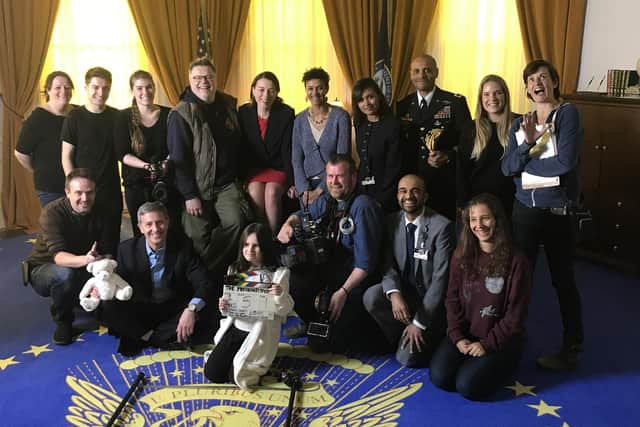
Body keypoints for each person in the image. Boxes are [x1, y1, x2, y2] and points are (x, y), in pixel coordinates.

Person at [502, 59, 584, 371]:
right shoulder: (519, 123)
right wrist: (527, 148)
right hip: (524, 211)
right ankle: (511, 340)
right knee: (520, 279)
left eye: (544, 77)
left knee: (563, 280)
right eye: (531, 79)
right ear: (526, 88)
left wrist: (523, 166)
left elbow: (564, 163)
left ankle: (572, 346)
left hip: (556, 211)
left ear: (554, 82)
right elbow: (506, 167)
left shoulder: (568, 114)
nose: (538, 83)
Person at [277, 154, 384, 353]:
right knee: (293, 278)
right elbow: (302, 216)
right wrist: (288, 223)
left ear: (353, 177)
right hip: (329, 272)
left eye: (340, 176)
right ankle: (311, 323)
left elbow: (365, 265)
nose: (334, 182)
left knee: (326, 345)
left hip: (355, 281)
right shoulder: (328, 199)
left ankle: (334, 326)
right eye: (330, 176)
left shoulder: (363, 206)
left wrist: (342, 293)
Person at [429, 193, 531, 400]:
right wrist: (457, 337)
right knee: (440, 377)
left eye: (485, 218)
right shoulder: (461, 254)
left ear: (497, 220)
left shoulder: (517, 261)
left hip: (501, 340)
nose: (479, 225)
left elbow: (515, 316)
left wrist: (487, 344)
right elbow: (452, 299)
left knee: (467, 386)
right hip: (467, 334)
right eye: (473, 220)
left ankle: (507, 362)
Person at [98, 201, 215, 356]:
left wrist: (191, 309)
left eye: (159, 222)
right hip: (140, 308)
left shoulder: (184, 245)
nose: (155, 229)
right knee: (107, 305)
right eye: (149, 224)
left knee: (206, 309)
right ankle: (158, 337)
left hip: (172, 307)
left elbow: (203, 281)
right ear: (140, 227)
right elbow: (118, 283)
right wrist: (100, 287)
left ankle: (143, 337)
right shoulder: (126, 249)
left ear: (167, 222)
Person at [167, 57, 250, 277]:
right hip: (196, 187)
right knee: (195, 236)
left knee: (236, 222)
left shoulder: (229, 105)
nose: (204, 82)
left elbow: (239, 145)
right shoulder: (181, 113)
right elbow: (179, 161)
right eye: (197, 77)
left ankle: (206, 273)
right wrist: (189, 194)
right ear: (189, 80)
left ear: (216, 78)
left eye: (209, 77)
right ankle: (200, 278)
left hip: (226, 184)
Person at [363, 174, 454, 365]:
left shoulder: (442, 227)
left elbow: (440, 280)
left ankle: (425, 334)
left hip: (432, 305)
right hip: (406, 296)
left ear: (425, 196)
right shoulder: (390, 222)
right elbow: (387, 265)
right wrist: (395, 295)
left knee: (407, 360)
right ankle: (401, 336)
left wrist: (419, 322)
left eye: (415, 191)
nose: (408, 196)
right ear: (397, 196)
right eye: (403, 191)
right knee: (371, 296)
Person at [26, 169, 115, 345]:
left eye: (89, 192)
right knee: (65, 274)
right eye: (79, 193)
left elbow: (109, 250)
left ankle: (96, 305)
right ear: (67, 192)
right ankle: (64, 321)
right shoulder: (52, 212)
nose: (85, 198)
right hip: (45, 268)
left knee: (116, 269)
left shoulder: (104, 211)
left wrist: (102, 269)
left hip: (87, 263)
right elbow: (58, 257)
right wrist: (87, 260)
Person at [204, 223, 294, 389]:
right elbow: (227, 308)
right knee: (212, 373)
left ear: (265, 247)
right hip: (236, 328)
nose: (249, 250)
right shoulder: (235, 270)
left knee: (237, 377)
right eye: (246, 244)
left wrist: (280, 294)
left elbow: (285, 310)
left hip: (259, 333)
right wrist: (223, 305)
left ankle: (252, 363)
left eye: (255, 245)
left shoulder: (278, 274)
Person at [396, 54, 471, 221]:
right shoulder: (401, 106)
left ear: (436, 72)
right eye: (416, 71)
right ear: (410, 74)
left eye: (427, 70)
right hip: (412, 186)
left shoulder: (454, 103)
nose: (421, 75)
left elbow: (469, 143)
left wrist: (449, 155)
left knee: (444, 233)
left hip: (443, 183)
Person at [61, 66, 121, 254]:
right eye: (95, 87)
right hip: (84, 193)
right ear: (86, 87)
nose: (100, 93)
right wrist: (75, 190)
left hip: (110, 190)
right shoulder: (74, 117)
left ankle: (111, 280)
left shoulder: (117, 116)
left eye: (105, 88)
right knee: (84, 242)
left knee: (111, 241)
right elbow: (66, 156)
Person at [114, 70, 175, 234]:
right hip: (136, 183)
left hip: (165, 181)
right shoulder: (122, 117)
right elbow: (122, 153)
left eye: (149, 87)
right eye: (139, 88)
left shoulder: (169, 114)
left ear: (154, 88)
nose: (145, 92)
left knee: (168, 227)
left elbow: (175, 146)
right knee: (140, 229)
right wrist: (147, 166)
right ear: (132, 91)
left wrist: (165, 163)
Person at [239, 71, 295, 234]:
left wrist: (292, 182)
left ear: (277, 92)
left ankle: (274, 239)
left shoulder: (286, 114)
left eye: (271, 90)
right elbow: (241, 148)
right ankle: (261, 238)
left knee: (271, 193)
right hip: (254, 169)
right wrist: (240, 177)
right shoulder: (243, 112)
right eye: (261, 89)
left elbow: (287, 149)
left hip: (278, 167)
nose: (266, 95)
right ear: (253, 90)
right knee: (255, 191)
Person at [457, 75, 517, 218]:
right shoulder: (471, 128)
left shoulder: (519, 124)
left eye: (498, 92)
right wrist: (463, 203)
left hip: (513, 202)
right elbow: (462, 170)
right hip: (478, 204)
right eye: (486, 94)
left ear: (505, 95)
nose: (492, 98)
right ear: (480, 98)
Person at [291, 67, 351, 206]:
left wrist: (319, 190)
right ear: (305, 90)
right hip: (306, 185)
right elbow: (296, 160)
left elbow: (343, 157)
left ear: (327, 88)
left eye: (319, 88)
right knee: (307, 223)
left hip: (334, 182)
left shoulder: (341, 117)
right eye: (310, 88)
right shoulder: (299, 120)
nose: (315, 93)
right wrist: (304, 191)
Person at [15, 71, 75, 206]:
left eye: (67, 87)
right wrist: (38, 169)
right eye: (57, 87)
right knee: (57, 224)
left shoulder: (77, 113)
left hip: (77, 184)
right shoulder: (38, 117)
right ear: (48, 91)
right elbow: (20, 153)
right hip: (50, 186)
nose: (63, 91)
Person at [351, 77, 403, 212]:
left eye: (370, 97)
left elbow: (394, 166)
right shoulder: (359, 124)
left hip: (387, 192)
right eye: (361, 100)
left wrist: (382, 198)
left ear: (379, 97)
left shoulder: (393, 125)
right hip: (363, 190)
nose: (366, 103)